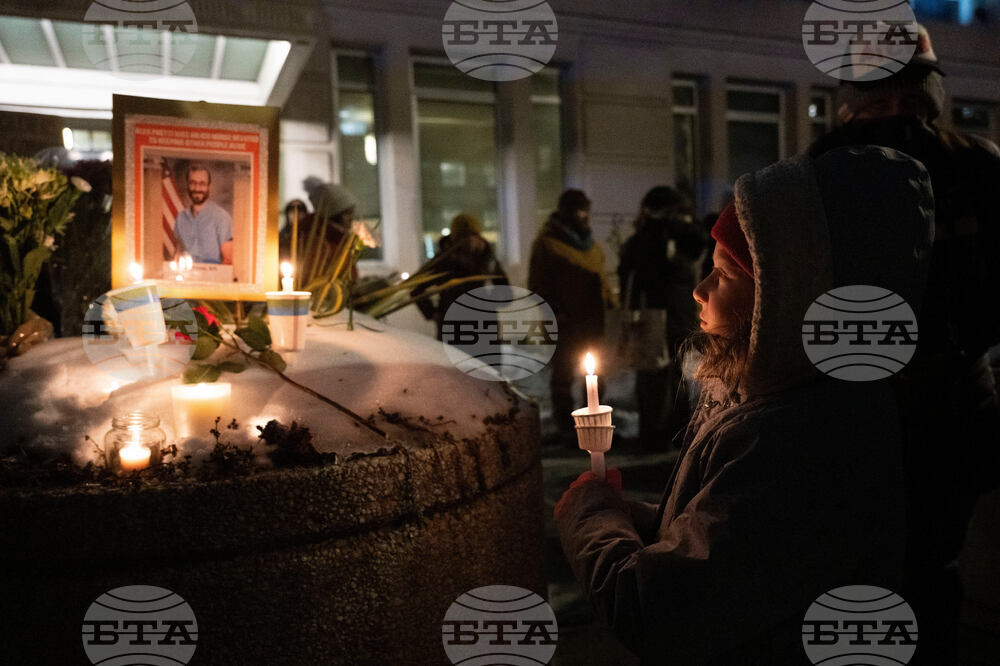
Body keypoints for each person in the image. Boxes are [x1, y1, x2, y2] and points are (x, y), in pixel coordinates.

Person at [554, 146, 935, 664]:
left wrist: (590, 514)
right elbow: (729, 542)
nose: (699, 290)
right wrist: (636, 520)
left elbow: (659, 610)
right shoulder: (779, 396)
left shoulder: (797, 436)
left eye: (724, 275)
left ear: (784, 298)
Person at [810, 25, 1000, 663]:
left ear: (929, 100)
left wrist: (957, 344)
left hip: (946, 402)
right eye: (879, 102)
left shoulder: (975, 167)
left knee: (926, 566)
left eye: (907, 103)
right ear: (852, 103)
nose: (895, 118)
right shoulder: (814, 173)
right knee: (860, 564)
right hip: (854, 408)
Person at [617, 186, 707, 449]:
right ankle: (668, 431)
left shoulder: (651, 238)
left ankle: (660, 431)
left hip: (658, 316)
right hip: (669, 315)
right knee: (667, 375)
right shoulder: (668, 237)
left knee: (659, 375)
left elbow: (632, 275)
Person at [529, 189, 617, 444]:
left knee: (597, 372)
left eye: (586, 209)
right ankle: (567, 427)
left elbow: (600, 277)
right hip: (565, 321)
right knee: (564, 374)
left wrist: (611, 302)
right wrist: (555, 312)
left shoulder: (590, 243)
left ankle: (595, 421)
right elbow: (538, 284)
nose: (584, 215)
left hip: (593, 319)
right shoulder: (547, 243)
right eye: (579, 210)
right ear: (567, 212)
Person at [413, 213, 509, 340]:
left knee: (453, 359)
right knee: (481, 360)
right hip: (483, 323)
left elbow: (416, 287)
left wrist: (433, 313)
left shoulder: (444, 257)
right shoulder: (485, 255)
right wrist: (489, 302)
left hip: (452, 321)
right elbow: (505, 292)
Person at [173, 164, 233, 265]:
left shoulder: (222, 217)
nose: (197, 188)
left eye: (202, 184)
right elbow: (177, 253)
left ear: (208, 186)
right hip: (187, 275)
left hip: (212, 276)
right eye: (193, 183)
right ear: (187, 185)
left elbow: (228, 260)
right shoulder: (181, 218)